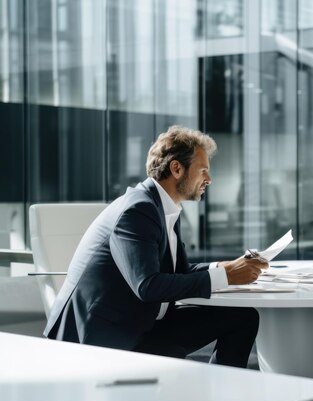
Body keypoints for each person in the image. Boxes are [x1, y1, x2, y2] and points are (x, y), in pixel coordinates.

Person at [44, 125, 268, 367]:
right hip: (105, 337)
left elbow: (179, 272)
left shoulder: (166, 208)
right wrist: (224, 276)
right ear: (176, 168)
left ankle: (224, 391)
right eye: (203, 170)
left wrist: (224, 267)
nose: (209, 179)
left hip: (141, 323)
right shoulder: (138, 210)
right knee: (238, 318)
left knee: (242, 317)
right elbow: (147, 285)